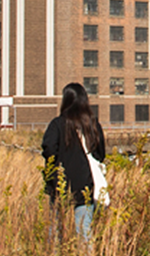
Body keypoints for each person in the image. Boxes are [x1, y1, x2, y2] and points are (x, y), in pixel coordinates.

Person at [41, 82, 106, 240]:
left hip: (59, 182)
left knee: (55, 229)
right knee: (84, 231)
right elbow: (100, 153)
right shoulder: (92, 124)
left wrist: (57, 164)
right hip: (84, 182)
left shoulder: (57, 124)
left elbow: (48, 148)